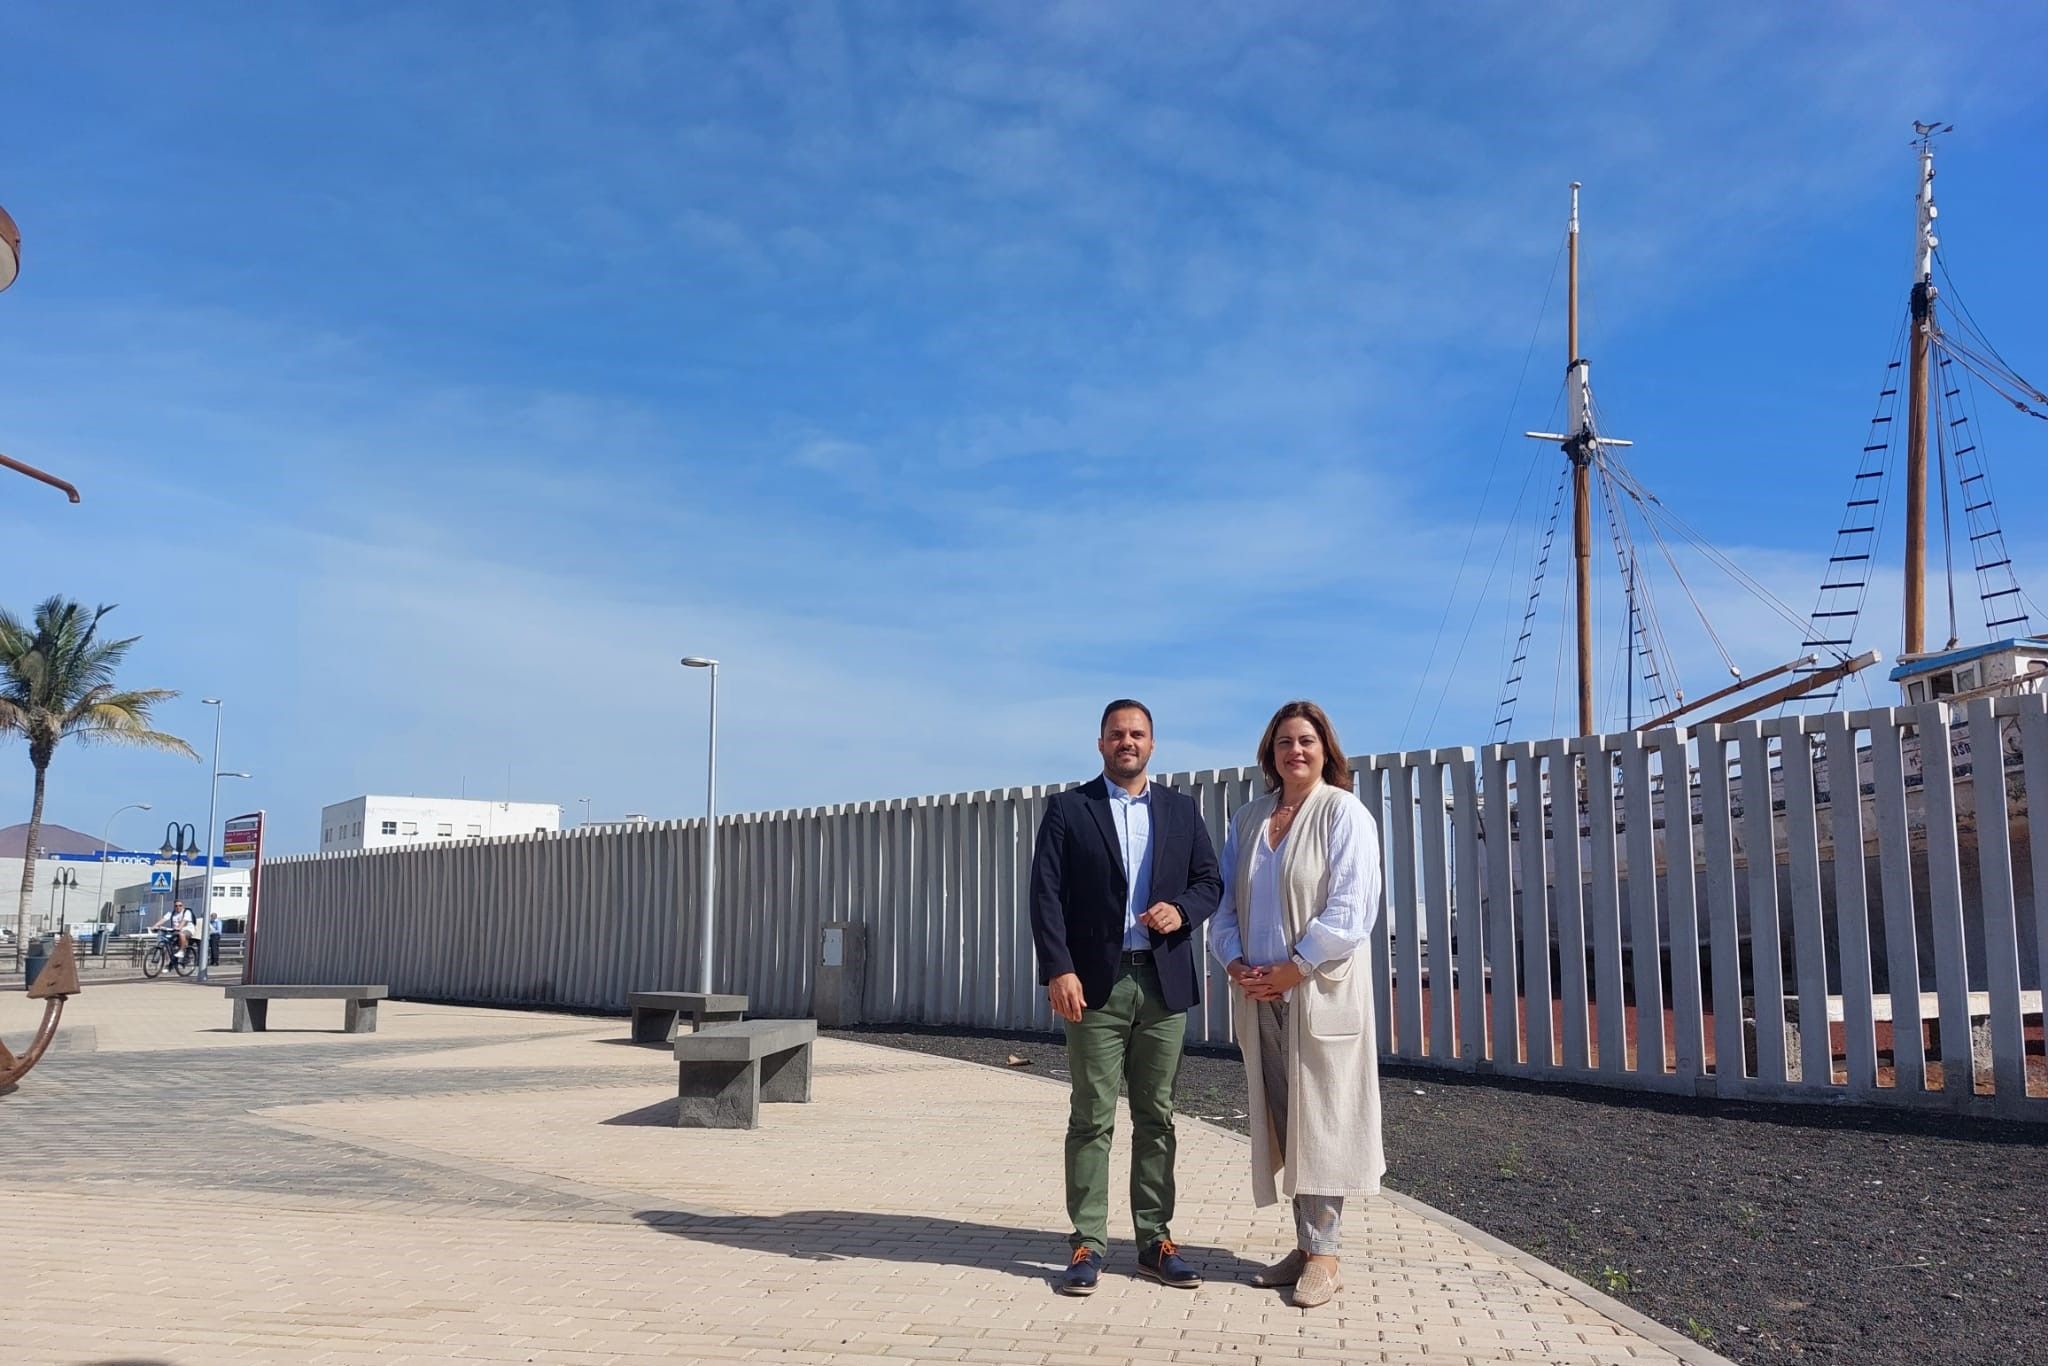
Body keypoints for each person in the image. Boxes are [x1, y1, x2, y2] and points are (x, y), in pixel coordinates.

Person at [1029, 699, 1223, 1296]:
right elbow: (1045, 896)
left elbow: (1210, 883)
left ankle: (1154, 1241)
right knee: (1090, 1116)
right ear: (1100, 743)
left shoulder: (1181, 812)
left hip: (1162, 982)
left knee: (1157, 1118)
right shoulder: (1069, 809)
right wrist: (1059, 970)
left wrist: (1182, 911)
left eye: (1137, 734)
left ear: (1153, 744)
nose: (1127, 742)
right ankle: (1087, 1242)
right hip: (1093, 985)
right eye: (1117, 734)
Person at [1209, 700, 1384, 1309]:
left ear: (1326, 750)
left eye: (1306, 740)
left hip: (1317, 993)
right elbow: (1226, 907)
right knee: (1285, 1120)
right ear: (1270, 753)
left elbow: (1351, 911)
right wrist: (1235, 962)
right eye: (1284, 742)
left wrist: (1293, 968)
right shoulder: (1251, 817)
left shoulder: (1344, 814)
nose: (1296, 751)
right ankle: (1306, 1247)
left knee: (1324, 1121)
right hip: (1260, 992)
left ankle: (1327, 1258)